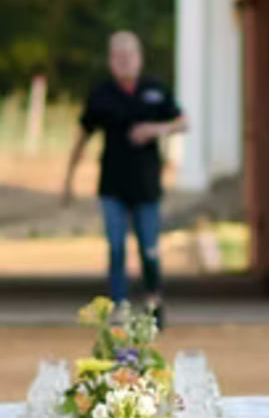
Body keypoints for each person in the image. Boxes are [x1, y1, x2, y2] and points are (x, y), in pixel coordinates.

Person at [60, 28, 188, 313]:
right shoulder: (102, 95)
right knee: (116, 249)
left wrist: (155, 129)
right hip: (113, 185)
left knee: (149, 249)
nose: (124, 61)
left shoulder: (155, 89)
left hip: (146, 185)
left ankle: (155, 302)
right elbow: (83, 135)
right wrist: (68, 177)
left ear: (139, 57)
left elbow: (183, 122)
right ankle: (119, 309)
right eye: (118, 56)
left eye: (129, 55)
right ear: (110, 60)